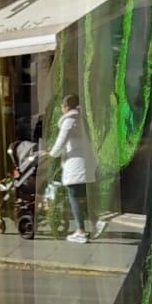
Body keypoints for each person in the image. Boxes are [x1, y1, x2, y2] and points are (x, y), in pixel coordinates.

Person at [48, 93, 99, 243]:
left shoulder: (70, 121)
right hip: (87, 162)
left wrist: (51, 154)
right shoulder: (83, 119)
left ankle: (81, 231)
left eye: (62, 107)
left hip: (76, 165)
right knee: (83, 197)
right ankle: (97, 221)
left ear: (65, 107)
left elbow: (60, 142)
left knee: (74, 197)